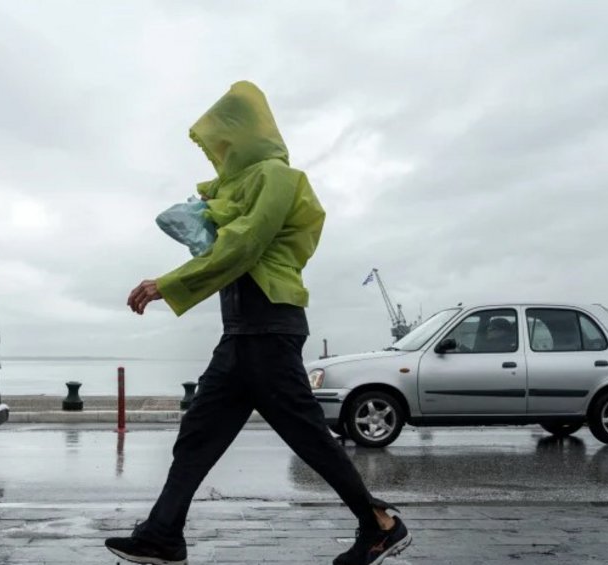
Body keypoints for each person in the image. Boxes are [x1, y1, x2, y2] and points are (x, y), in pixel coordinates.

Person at [105, 81, 411, 565]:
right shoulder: (238, 188)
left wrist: (168, 283)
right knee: (198, 434)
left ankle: (378, 524)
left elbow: (243, 244)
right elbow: (226, 232)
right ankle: (163, 534)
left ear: (247, 133)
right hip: (242, 332)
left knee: (308, 437)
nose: (220, 154)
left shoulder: (277, 177)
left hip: (270, 328)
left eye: (225, 142)